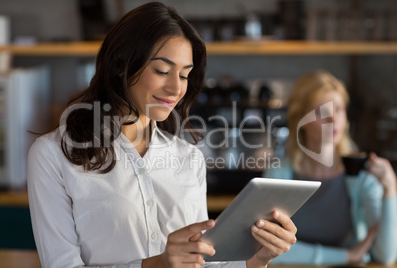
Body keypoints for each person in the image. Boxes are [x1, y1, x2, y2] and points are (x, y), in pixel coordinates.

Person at [27, 2, 297, 268]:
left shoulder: (189, 157)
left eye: (184, 75)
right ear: (122, 64)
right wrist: (156, 265)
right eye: (162, 71)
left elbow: (201, 262)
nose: (176, 88)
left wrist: (256, 260)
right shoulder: (53, 155)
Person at [265, 70, 397, 265]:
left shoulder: (363, 175)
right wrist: (347, 256)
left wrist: (390, 189)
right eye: (321, 112)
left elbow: (386, 256)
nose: (333, 120)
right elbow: (267, 248)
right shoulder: (278, 174)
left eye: (339, 110)